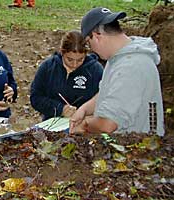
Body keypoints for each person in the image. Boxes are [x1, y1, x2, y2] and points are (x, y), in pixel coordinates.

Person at [69, 7, 165, 136]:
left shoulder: (130, 66)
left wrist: (84, 125)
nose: (91, 49)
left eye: (88, 43)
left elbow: (107, 124)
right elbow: (111, 92)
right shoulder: (118, 57)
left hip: (138, 149)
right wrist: (84, 109)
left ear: (97, 36)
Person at [30, 30, 103, 120]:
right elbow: (35, 98)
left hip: (85, 124)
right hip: (52, 124)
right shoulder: (48, 67)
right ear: (62, 52)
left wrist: (84, 112)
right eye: (70, 59)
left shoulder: (95, 70)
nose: (75, 64)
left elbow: (103, 99)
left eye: (80, 60)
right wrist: (60, 109)